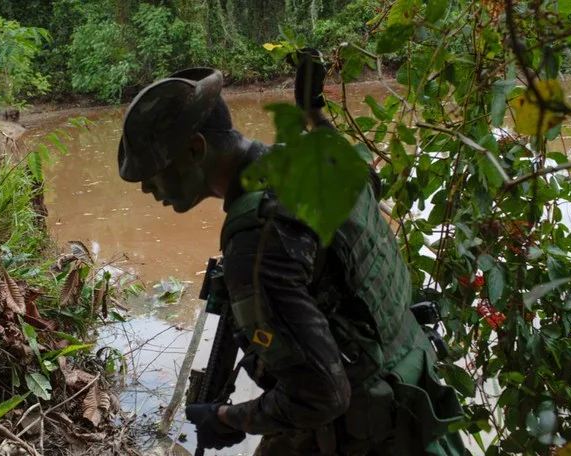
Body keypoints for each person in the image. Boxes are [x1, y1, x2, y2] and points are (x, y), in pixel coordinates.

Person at [117, 53, 468, 455]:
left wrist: (227, 418)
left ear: (196, 149)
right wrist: (314, 113)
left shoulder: (257, 242)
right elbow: (366, 178)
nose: (148, 189)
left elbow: (322, 395)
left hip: (366, 430)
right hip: (411, 389)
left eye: (154, 171)